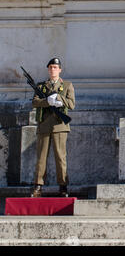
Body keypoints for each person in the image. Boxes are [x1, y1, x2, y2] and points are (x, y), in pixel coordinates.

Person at [30, 58, 75, 198]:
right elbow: (35, 102)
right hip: (44, 125)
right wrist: (47, 101)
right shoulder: (41, 86)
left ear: (60, 69)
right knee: (41, 158)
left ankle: (63, 186)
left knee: (60, 157)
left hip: (59, 126)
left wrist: (59, 101)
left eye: (55, 67)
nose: (52, 70)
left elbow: (72, 104)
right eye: (50, 67)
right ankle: (37, 186)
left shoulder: (67, 85)